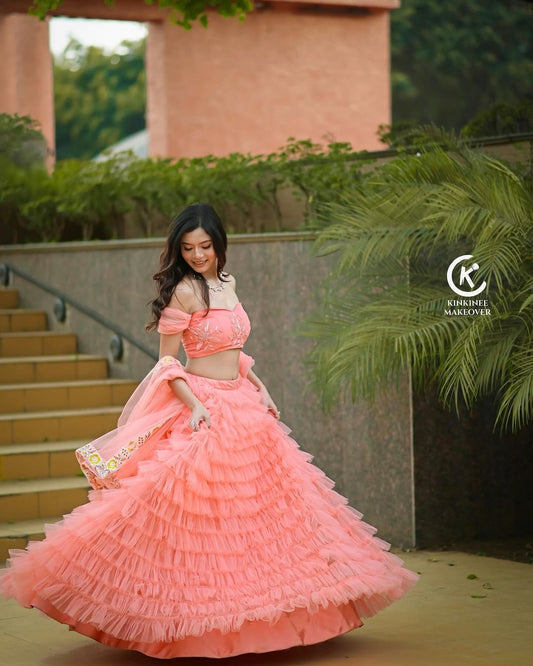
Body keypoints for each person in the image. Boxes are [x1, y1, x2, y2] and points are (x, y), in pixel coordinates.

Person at [0, 203, 418, 659]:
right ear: (179, 251)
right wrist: (196, 404)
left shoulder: (227, 284)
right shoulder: (184, 291)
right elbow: (165, 362)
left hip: (244, 404)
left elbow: (233, 346)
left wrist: (262, 386)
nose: (198, 255)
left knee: (262, 519)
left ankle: (266, 620)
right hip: (204, 406)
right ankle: (189, 626)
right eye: (188, 248)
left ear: (220, 245)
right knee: (197, 520)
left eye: (205, 246)